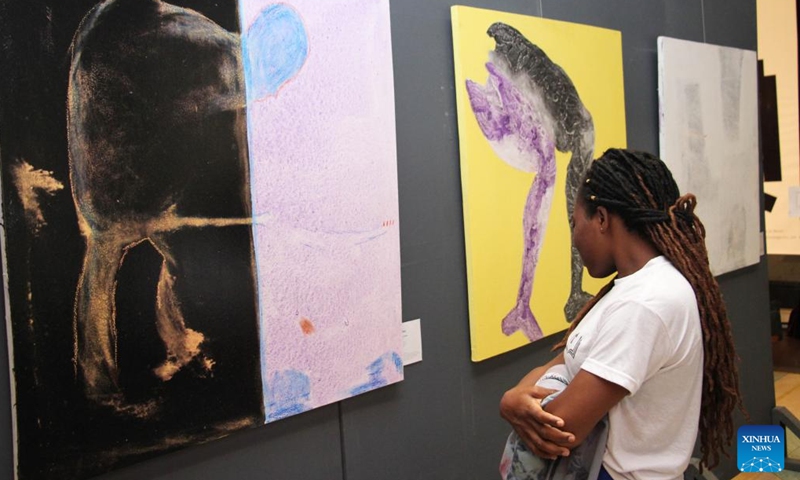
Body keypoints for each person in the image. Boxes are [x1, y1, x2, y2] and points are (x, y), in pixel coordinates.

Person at [499, 148, 744, 479]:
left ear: (601, 218)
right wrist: (513, 400)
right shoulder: (632, 287)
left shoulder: (645, 302)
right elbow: (563, 362)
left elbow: (562, 428)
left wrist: (518, 407)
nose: (573, 240)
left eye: (574, 223)